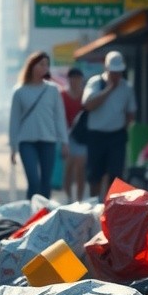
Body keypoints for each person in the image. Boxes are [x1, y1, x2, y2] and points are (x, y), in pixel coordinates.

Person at [9, 50, 69, 200]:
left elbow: (59, 118)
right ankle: (31, 216)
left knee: (45, 183)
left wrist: (64, 142)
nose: (45, 68)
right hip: (26, 142)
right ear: (32, 66)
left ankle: (44, 217)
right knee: (33, 182)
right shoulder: (19, 91)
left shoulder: (53, 90)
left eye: (47, 65)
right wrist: (13, 147)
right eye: (41, 64)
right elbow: (14, 120)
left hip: (48, 141)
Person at [82, 50, 137, 200]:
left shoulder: (127, 87)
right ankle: (94, 203)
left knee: (116, 173)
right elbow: (88, 104)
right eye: (113, 72)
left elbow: (131, 112)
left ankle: (111, 205)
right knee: (95, 175)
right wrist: (108, 90)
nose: (116, 76)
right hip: (96, 135)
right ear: (106, 69)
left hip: (117, 135)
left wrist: (122, 126)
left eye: (119, 72)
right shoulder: (95, 83)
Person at [61, 67, 87, 202]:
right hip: (66, 136)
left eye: (77, 79)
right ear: (68, 79)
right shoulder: (63, 95)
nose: (75, 81)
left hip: (81, 137)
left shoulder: (86, 95)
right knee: (69, 168)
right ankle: (69, 198)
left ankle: (79, 199)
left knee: (80, 169)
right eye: (72, 78)